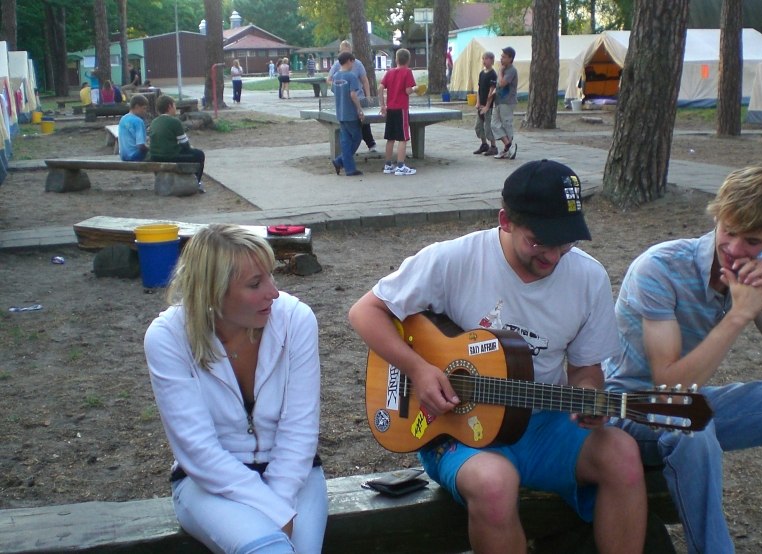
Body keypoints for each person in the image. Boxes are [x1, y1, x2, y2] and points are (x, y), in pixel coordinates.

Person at [349, 159, 648, 553]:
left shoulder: (588, 278)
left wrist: (590, 394)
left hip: (543, 424)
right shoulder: (454, 259)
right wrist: (419, 370)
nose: (554, 257)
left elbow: (585, 368)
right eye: (540, 241)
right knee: (494, 483)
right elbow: (364, 312)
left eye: (566, 243)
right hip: (457, 431)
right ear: (506, 220)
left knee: (623, 454)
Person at [603, 167, 762, 554]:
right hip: (625, 408)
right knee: (693, 423)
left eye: (752, 241)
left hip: (688, 403)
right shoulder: (659, 267)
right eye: (728, 231)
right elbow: (668, 385)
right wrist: (737, 316)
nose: (734, 248)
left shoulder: (756, 270)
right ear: (717, 216)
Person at [145, 224, 327, 554]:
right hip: (208, 484)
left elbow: (300, 429)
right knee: (269, 549)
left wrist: (279, 503)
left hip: (295, 475)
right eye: (255, 284)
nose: (273, 292)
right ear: (212, 293)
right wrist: (273, 512)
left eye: (271, 276)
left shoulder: (295, 319)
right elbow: (197, 450)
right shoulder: (167, 337)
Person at [328, 40, 378, 153]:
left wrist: (368, 95)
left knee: (363, 121)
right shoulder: (337, 65)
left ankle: (370, 143)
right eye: (343, 52)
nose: (346, 56)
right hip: (344, 100)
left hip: (358, 97)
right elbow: (330, 79)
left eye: (348, 52)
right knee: (347, 125)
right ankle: (346, 152)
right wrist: (338, 88)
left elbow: (364, 80)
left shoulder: (358, 64)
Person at [149, 94, 206, 193]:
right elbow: (185, 145)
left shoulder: (154, 122)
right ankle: (197, 182)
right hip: (168, 155)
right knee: (199, 155)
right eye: (175, 106)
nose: (176, 108)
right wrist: (191, 148)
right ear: (170, 106)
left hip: (154, 156)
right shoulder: (174, 122)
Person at [379, 48, 418, 176]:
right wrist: (415, 89)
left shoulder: (389, 73)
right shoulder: (407, 72)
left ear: (396, 59)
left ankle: (388, 165)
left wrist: (382, 105)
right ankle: (401, 166)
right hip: (401, 109)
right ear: (408, 60)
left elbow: (380, 88)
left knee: (390, 138)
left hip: (390, 108)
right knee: (403, 138)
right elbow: (407, 91)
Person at [330, 52, 365, 177]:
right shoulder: (351, 77)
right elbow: (353, 95)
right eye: (353, 62)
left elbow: (334, 91)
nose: (353, 65)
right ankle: (344, 164)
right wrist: (359, 109)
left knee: (345, 140)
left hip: (340, 112)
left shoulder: (335, 76)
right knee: (357, 137)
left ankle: (340, 162)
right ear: (349, 61)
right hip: (350, 112)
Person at [489, 46, 518, 160]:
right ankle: (509, 145)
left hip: (507, 102)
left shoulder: (511, 70)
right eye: (501, 56)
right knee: (494, 124)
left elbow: (502, 83)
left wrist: (500, 71)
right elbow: (497, 86)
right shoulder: (502, 69)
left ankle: (508, 150)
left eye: (504, 57)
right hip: (498, 101)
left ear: (510, 59)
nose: (501, 59)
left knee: (507, 124)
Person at [473, 51, 498, 156]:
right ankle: (484, 144)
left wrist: (488, 106)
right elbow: (479, 89)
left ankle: (493, 146)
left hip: (489, 106)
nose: (484, 61)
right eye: (483, 59)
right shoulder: (482, 73)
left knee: (488, 127)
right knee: (478, 126)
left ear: (492, 61)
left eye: (487, 59)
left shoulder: (493, 74)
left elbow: (491, 91)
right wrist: (478, 102)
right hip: (481, 104)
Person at [118, 94, 149, 162]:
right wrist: (150, 149)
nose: (145, 111)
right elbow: (140, 145)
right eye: (144, 108)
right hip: (135, 156)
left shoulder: (123, 118)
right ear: (137, 107)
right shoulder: (138, 121)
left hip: (124, 156)